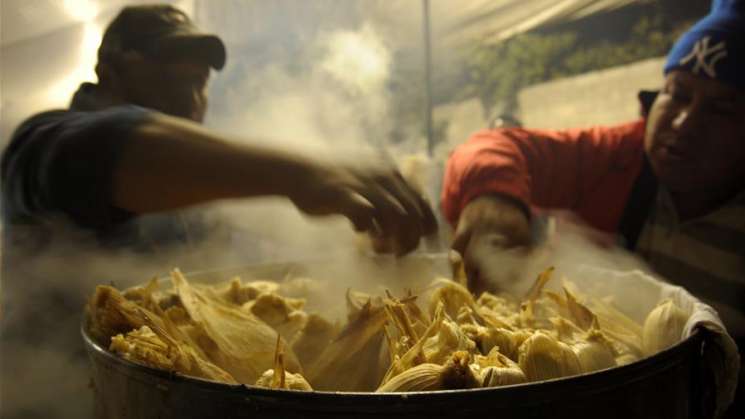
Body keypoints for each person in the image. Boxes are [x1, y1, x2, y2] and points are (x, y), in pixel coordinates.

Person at [0, 5, 436, 418]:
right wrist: (304, 172)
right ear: (110, 70)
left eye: (201, 83)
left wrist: (354, 234)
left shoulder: (195, 187)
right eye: (173, 78)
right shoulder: (43, 139)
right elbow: (101, 149)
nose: (192, 100)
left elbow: (244, 250)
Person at [442, 0, 743, 416]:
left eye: (722, 109)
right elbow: (494, 144)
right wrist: (494, 195)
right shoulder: (621, 156)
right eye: (677, 95)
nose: (682, 124)